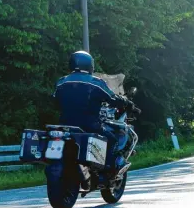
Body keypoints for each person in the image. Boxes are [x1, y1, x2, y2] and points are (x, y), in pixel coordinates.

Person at [52, 51, 136, 181]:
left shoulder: (61, 82)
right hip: (89, 125)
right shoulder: (95, 82)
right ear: (90, 65)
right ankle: (108, 172)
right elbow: (113, 98)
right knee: (112, 139)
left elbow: (55, 100)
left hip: (65, 125)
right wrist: (126, 102)